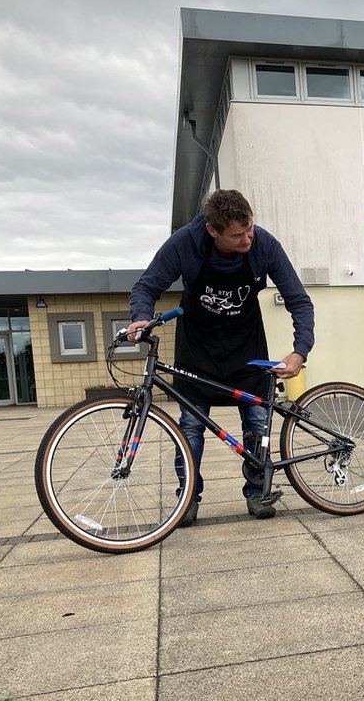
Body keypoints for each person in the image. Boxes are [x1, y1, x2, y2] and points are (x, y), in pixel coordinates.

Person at [128, 189, 314, 525]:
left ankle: (257, 491)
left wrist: (300, 350)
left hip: (246, 345)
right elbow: (146, 286)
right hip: (196, 348)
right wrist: (141, 317)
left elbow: (298, 300)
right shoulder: (184, 243)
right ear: (213, 230)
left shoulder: (264, 245)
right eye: (238, 234)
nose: (247, 238)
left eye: (250, 228)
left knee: (256, 421)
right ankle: (188, 498)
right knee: (190, 426)